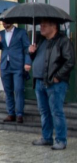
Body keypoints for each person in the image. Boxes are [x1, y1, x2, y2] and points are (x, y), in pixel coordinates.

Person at [29, 18, 74, 150]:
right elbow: (39, 59)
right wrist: (32, 53)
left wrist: (58, 77)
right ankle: (47, 137)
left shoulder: (63, 41)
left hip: (55, 83)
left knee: (56, 112)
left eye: (43, 26)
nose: (41, 28)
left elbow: (70, 61)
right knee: (44, 111)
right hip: (39, 81)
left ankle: (61, 140)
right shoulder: (42, 41)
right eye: (40, 25)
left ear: (53, 26)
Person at [0, 20, 31, 123]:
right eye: (3, 22)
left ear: (12, 22)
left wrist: (27, 62)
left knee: (18, 90)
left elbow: (27, 48)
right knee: (8, 91)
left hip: (18, 65)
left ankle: (19, 114)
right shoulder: (0, 33)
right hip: (5, 65)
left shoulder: (21, 32)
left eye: (7, 22)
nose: (5, 24)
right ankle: (10, 113)